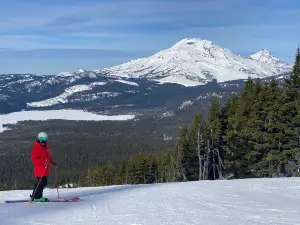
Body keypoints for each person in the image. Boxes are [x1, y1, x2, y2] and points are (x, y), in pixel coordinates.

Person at [30, 132, 57, 202]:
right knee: (41, 183)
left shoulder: (46, 146)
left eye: (45, 139)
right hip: (39, 169)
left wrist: (52, 162)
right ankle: (36, 197)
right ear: (39, 138)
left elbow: (48, 156)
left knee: (42, 183)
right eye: (42, 139)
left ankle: (37, 196)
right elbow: (34, 159)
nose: (44, 140)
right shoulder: (36, 147)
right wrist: (43, 163)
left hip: (45, 169)